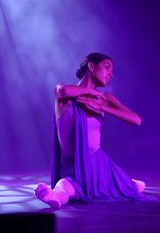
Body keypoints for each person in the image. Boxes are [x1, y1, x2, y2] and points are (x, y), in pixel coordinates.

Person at [34, 53, 147, 209]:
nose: (111, 73)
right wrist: (91, 93)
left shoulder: (105, 99)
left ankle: (126, 182)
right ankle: (54, 196)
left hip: (99, 164)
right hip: (74, 164)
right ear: (91, 67)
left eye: (112, 70)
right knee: (67, 185)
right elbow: (62, 90)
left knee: (135, 187)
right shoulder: (64, 95)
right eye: (107, 67)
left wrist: (101, 107)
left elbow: (136, 119)